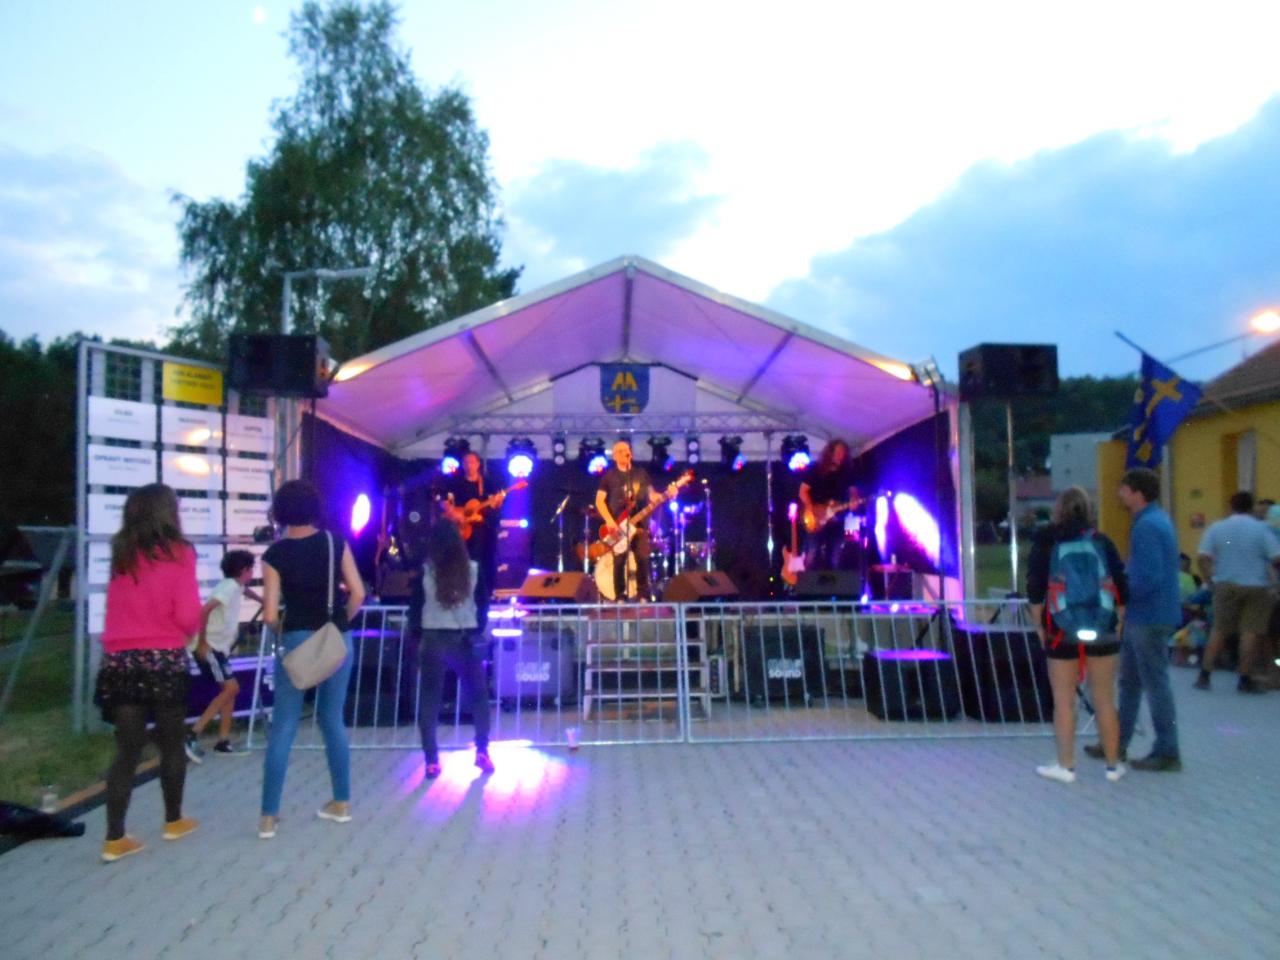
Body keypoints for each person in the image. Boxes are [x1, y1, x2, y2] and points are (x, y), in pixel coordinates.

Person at [95, 483, 203, 862]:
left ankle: (114, 838)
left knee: (127, 750)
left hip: (120, 661)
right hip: (163, 659)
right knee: (171, 744)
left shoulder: (122, 551)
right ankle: (173, 820)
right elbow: (187, 614)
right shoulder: (180, 552)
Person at [259, 480, 365, 840]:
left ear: (281, 511)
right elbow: (358, 593)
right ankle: (341, 802)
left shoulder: (275, 555)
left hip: (296, 640)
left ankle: (268, 817)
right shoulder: (336, 543)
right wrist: (340, 623)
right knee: (332, 719)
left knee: (284, 725)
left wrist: (281, 630)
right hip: (336, 640)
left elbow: (269, 614)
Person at [1025, 486, 1129, 784]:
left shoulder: (1046, 542)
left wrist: (1040, 626)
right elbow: (1122, 587)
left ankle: (1066, 766)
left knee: (1064, 700)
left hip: (1061, 629)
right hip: (1102, 627)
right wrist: (1116, 623)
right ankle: (1113, 766)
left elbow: (1035, 589)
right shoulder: (1102, 541)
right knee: (1105, 699)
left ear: (1058, 510)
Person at [1083, 469, 1182, 771]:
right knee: (1131, 681)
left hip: (1148, 615)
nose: (1120, 494)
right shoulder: (1156, 520)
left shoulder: (1147, 526)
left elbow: (1148, 575)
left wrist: (1120, 595)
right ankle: (1116, 742)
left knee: (1154, 683)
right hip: (1151, 613)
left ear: (1137, 492)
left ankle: (1167, 749)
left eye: (1124, 489)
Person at [409, 519, 493, 778]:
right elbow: (483, 605)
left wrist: (417, 634)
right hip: (464, 638)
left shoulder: (426, 572)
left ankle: (431, 760)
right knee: (478, 696)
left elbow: (415, 609)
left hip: (433, 639)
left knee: (429, 699)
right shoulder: (473, 570)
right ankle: (482, 750)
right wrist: (477, 629)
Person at [1193, 491, 1280, 693]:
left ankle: (1204, 675)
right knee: (1250, 632)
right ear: (1251, 507)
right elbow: (1276, 558)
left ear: (1230, 506)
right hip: (1257, 586)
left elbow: (1202, 557)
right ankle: (1244, 678)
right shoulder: (1262, 529)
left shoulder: (1217, 528)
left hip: (1225, 583)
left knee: (1219, 630)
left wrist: (1211, 580)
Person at [186, 550, 260, 760]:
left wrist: (263, 600)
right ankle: (193, 734)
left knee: (229, 691)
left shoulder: (235, 585)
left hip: (218, 648)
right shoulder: (229, 587)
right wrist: (202, 643)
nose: (252, 573)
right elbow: (205, 610)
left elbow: (246, 591)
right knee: (231, 688)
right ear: (243, 570)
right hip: (209, 647)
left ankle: (223, 741)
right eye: (251, 569)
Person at [595, 439, 670, 602]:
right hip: (618, 524)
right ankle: (620, 596)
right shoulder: (609, 476)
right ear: (614, 456)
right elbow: (599, 500)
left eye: (627, 449)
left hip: (639, 524)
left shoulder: (641, 474)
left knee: (642, 558)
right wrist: (609, 521)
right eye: (621, 451)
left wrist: (666, 494)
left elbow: (652, 495)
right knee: (619, 561)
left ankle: (643, 595)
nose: (625, 453)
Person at [441, 451, 503, 627]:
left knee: (483, 565)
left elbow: (495, 506)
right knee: (462, 565)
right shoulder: (455, 483)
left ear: (478, 464)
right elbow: (444, 502)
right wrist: (456, 514)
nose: (469, 465)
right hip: (462, 534)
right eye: (466, 462)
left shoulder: (488, 484)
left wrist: (496, 503)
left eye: (472, 462)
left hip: (483, 534)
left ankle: (483, 601)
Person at [797, 438, 860, 571]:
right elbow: (803, 491)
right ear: (830, 453)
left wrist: (854, 499)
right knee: (812, 552)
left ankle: (832, 582)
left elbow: (853, 490)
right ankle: (808, 582)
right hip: (816, 518)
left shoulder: (847, 472)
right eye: (838, 453)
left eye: (843, 453)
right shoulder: (816, 469)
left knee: (835, 555)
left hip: (836, 519)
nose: (840, 456)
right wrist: (812, 509)